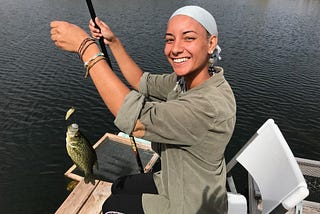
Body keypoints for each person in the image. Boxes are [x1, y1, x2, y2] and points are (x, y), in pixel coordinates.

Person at [50, 5, 236, 214]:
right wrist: (113, 42)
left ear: (211, 43)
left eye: (188, 38)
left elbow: (136, 120)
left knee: (111, 207)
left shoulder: (209, 106)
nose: (175, 48)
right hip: (174, 179)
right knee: (119, 186)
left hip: (190, 205)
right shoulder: (188, 81)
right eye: (169, 39)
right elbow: (140, 81)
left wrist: (86, 47)